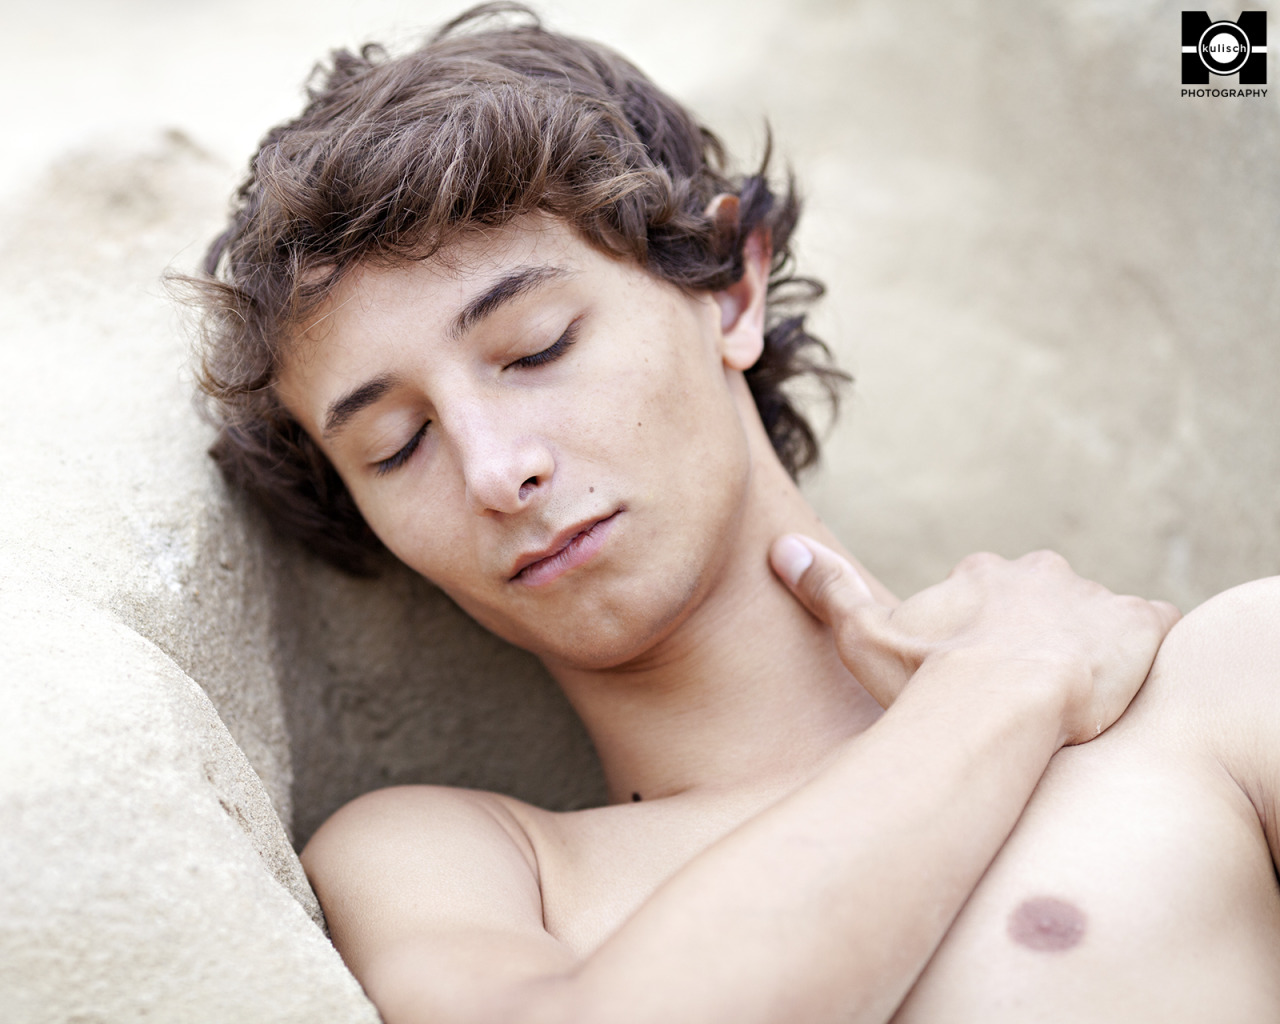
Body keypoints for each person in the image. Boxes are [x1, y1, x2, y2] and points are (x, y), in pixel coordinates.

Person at [188, 5, 1280, 1021]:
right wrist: (997, 690)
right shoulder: (458, 867)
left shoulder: (1210, 696)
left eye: (536, 348)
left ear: (728, 286)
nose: (492, 470)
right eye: (397, 446)